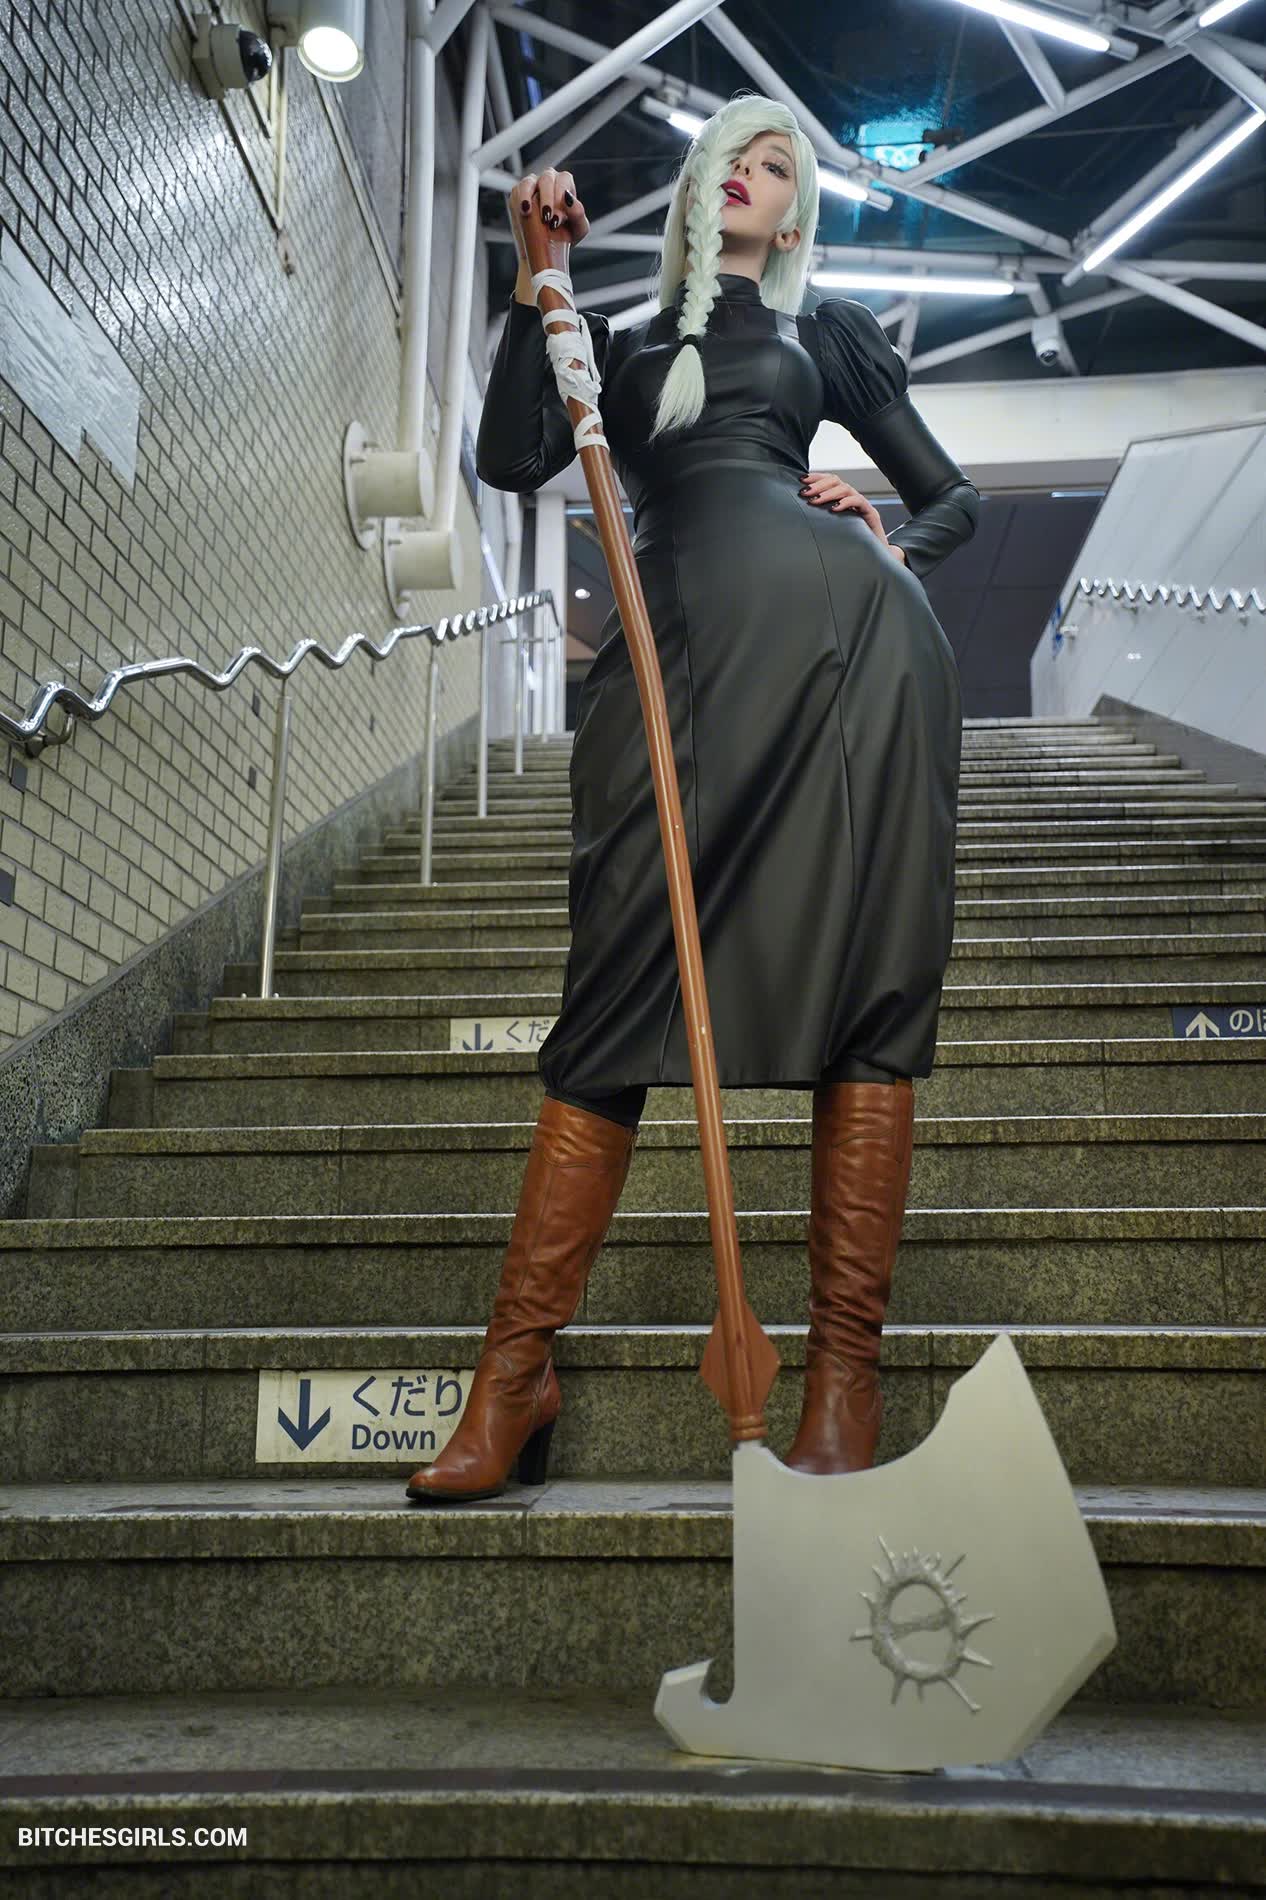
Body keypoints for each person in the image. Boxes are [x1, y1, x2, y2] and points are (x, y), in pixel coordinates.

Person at [406, 92, 978, 1506]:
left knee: (864, 997)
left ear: (793, 215)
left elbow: (952, 500)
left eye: (778, 166)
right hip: (669, 668)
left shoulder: (822, 335)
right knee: (613, 994)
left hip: (850, 667)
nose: (749, 175)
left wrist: (888, 537)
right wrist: (534, 281)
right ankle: (514, 1375)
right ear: (695, 185)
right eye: (733, 155)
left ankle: (843, 1381)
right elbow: (510, 459)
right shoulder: (606, 342)